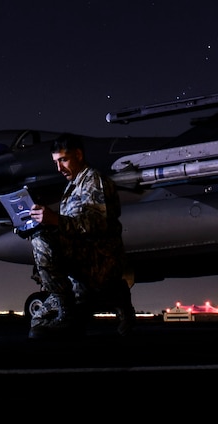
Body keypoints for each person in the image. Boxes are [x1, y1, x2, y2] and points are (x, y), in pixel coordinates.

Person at [25, 133, 136, 336]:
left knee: (41, 242)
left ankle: (71, 314)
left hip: (98, 262)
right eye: (56, 162)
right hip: (79, 264)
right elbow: (72, 227)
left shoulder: (94, 181)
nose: (59, 168)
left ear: (78, 155)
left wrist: (55, 220)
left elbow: (97, 225)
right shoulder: (72, 186)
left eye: (64, 160)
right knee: (38, 322)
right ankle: (111, 296)